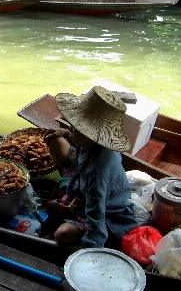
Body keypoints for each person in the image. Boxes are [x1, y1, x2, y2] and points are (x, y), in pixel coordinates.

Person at [41, 86, 139, 249]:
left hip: (108, 213)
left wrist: (91, 249)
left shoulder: (98, 172)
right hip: (82, 178)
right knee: (56, 141)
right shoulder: (89, 143)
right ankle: (70, 192)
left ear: (91, 135)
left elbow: (96, 217)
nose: (72, 128)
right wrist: (65, 134)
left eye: (77, 128)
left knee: (62, 234)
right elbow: (72, 137)